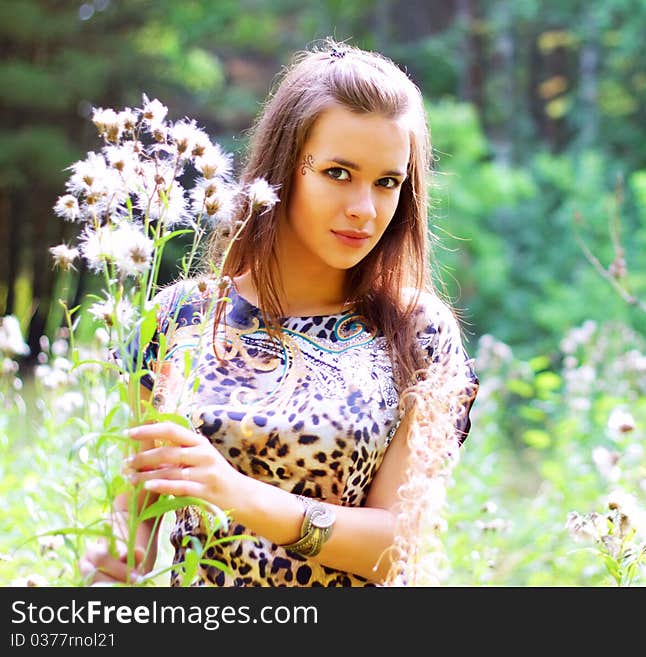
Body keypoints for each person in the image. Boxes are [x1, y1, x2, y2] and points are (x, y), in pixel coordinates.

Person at [78, 38, 479, 587]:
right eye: (339, 172)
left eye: (387, 183)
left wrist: (237, 493)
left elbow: (404, 544)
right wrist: (111, 561)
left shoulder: (420, 334)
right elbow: (132, 533)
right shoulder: (177, 318)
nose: (364, 209)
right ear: (286, 166)